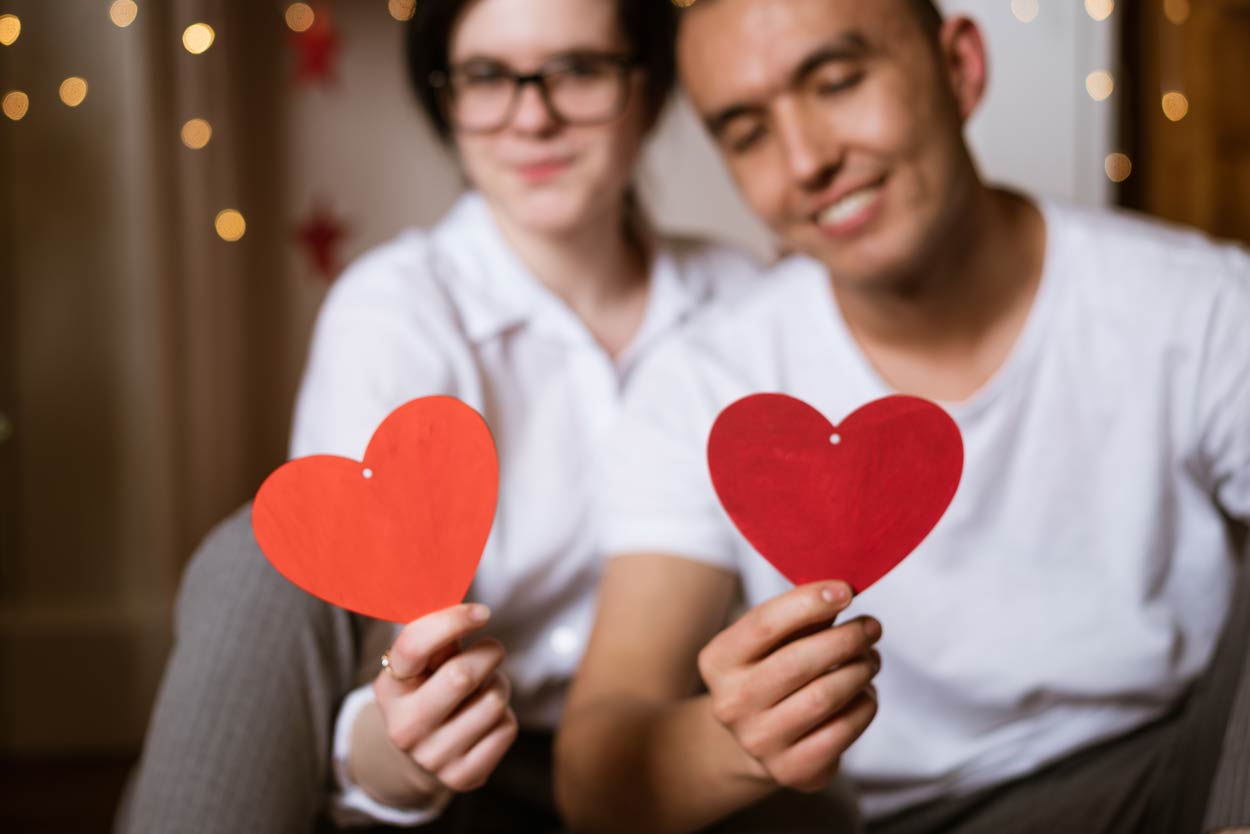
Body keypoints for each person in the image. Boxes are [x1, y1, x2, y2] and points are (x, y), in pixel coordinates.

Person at [554, 1, 1250, 833]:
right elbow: (595, 775)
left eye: (839, 81)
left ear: (960, 68)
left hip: (1188, 768)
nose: (807, 160)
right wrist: (740, 740)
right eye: (747, 133)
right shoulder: (709, 382)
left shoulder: (1199, 306)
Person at [117, 0, 759, 831]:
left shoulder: (744, 302)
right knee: (254, 559)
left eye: (579, 70)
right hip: (443, 769)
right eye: (487, 77)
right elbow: (367, 650)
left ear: (650, 89)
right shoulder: (395, 308)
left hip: (666, 759)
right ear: (446, 101)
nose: (533, 117)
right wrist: (402, 752)